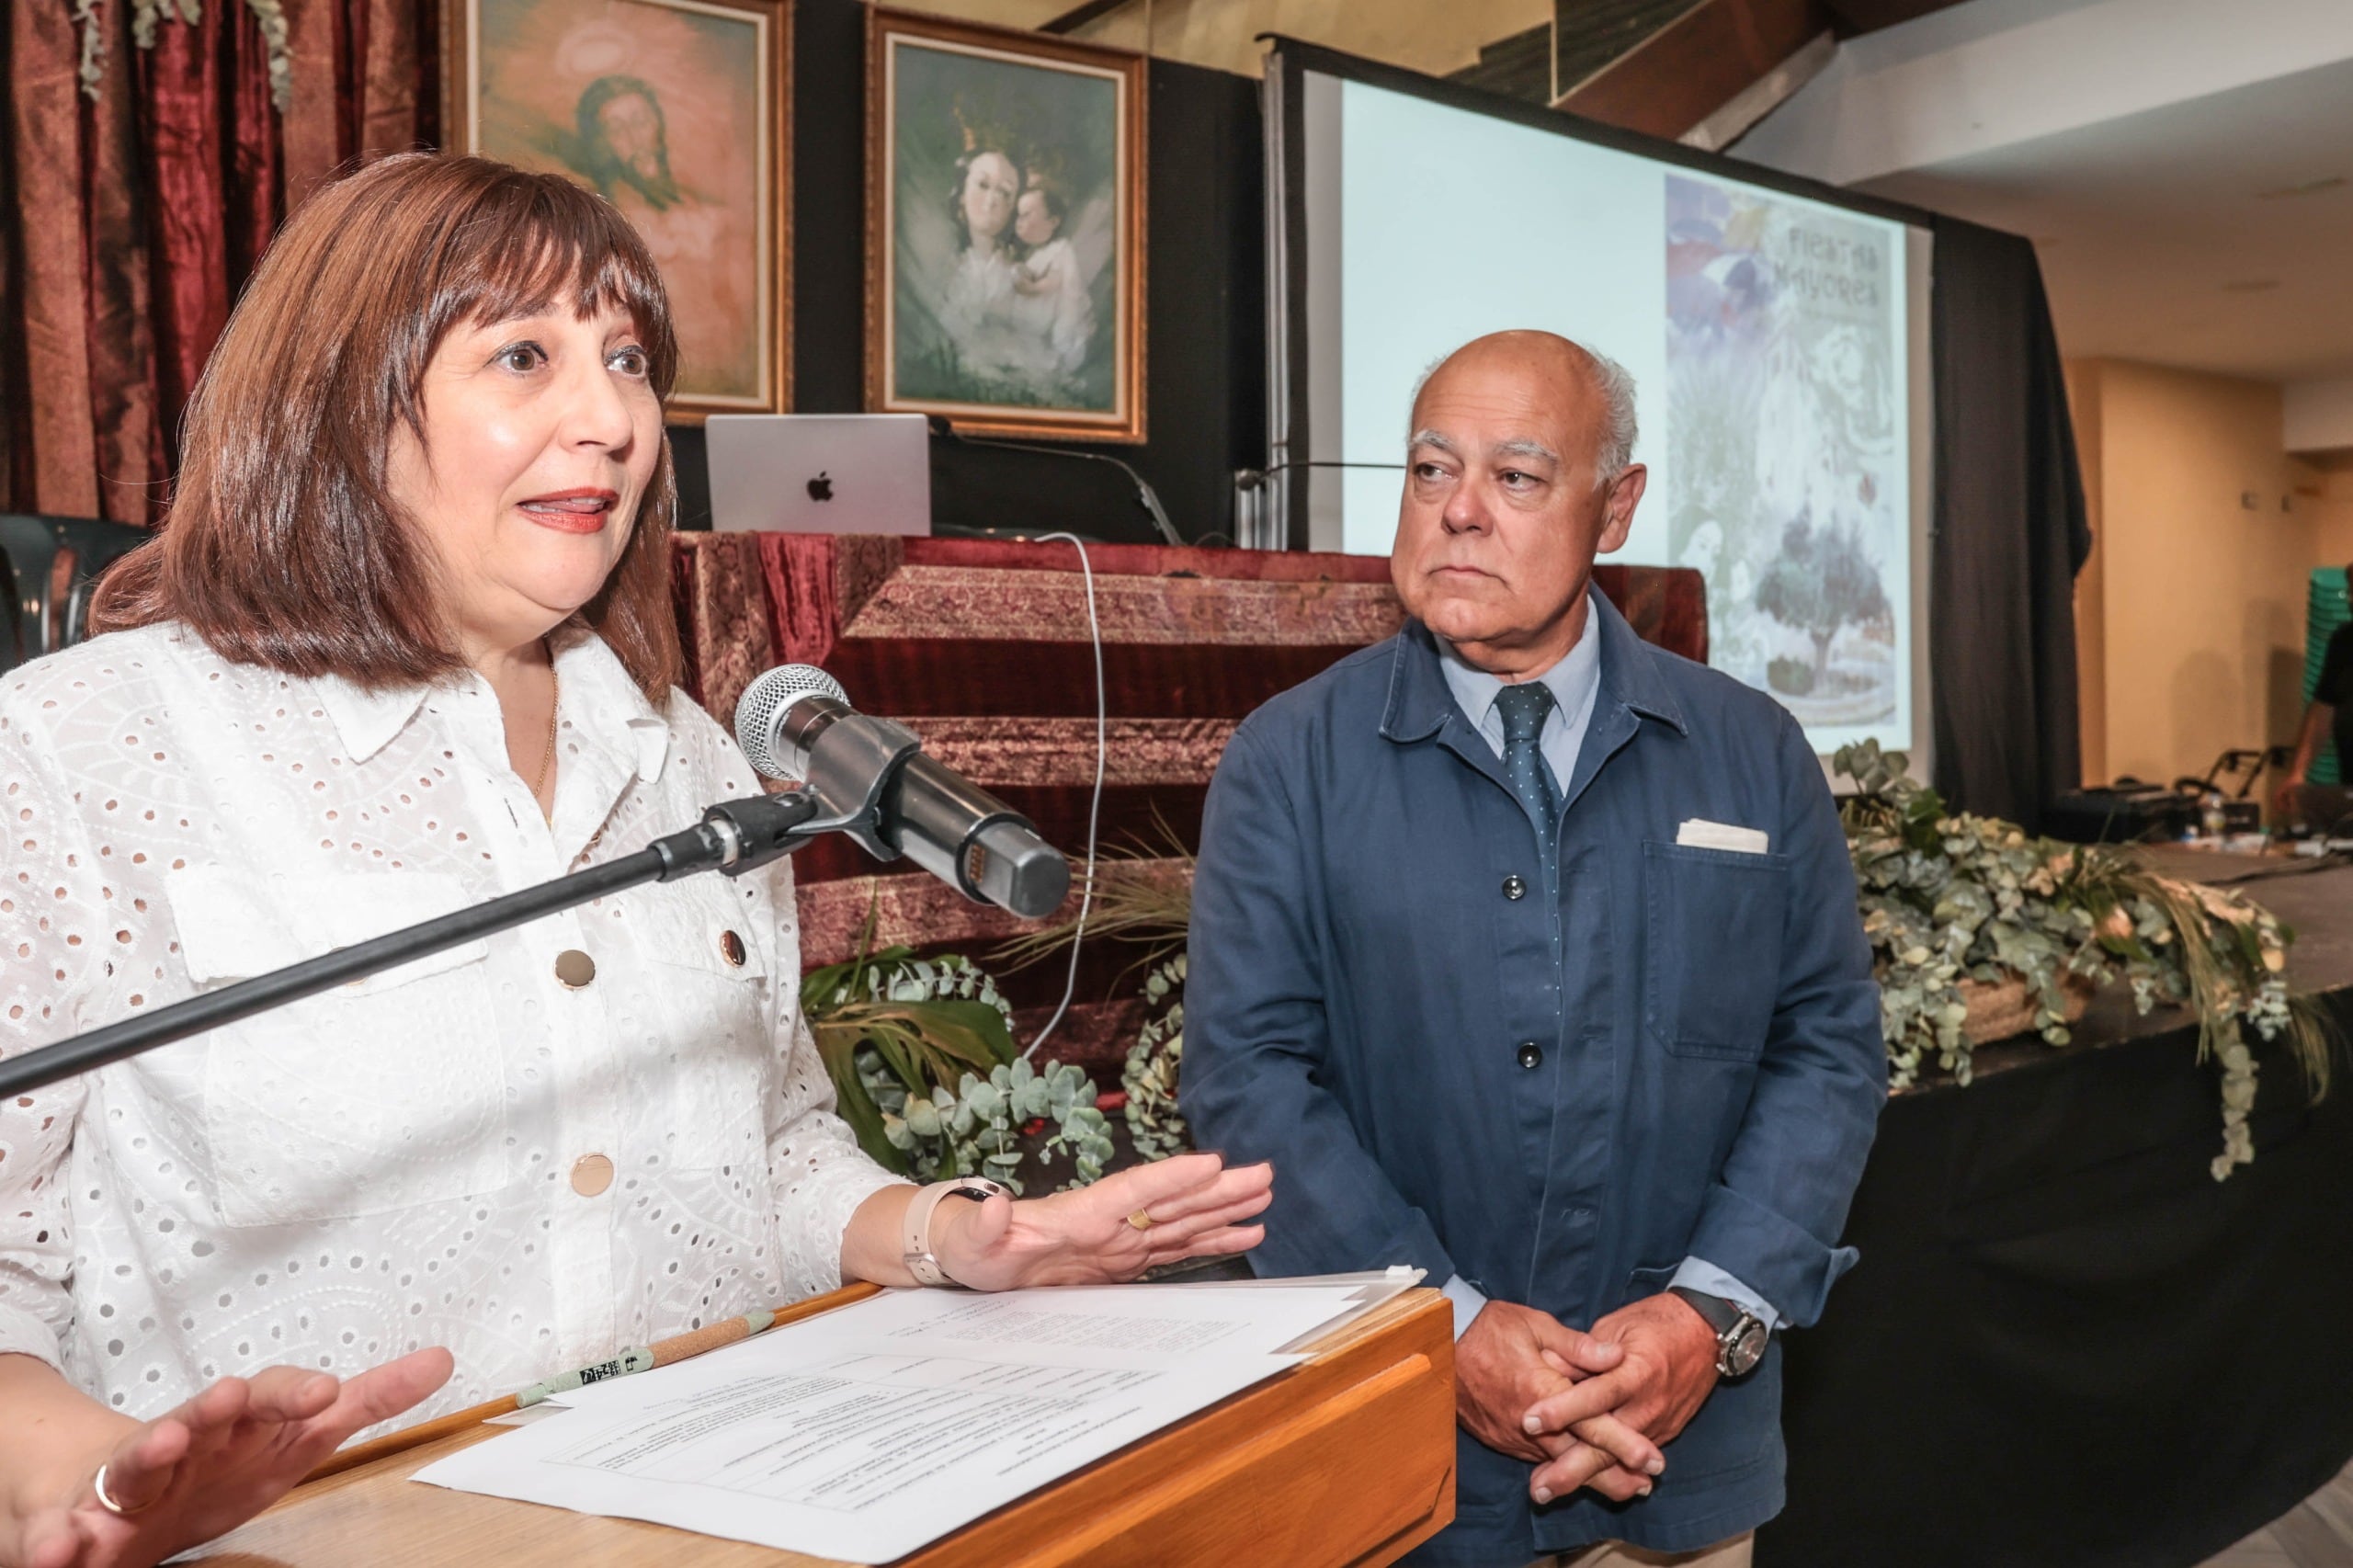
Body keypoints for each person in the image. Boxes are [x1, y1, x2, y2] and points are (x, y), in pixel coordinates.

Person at [0, 153, 1271, 1568]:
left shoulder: (699, 762)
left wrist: (944, 1234)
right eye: (525, 357)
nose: (608, 418)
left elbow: (765, 1140)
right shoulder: (84, 750)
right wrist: (90, 1472)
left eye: (626, 360)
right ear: (341, 408)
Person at [1183, 331, 1885, 1568]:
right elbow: (1247, 1082)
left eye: (1515, 477)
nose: (1457, 512)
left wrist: (1707, 1311)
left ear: (1616, 507)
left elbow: (1825, 1049)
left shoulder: (1752, 751)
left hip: (1678, 1453)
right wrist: (1439, 1326)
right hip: (1394, 1465)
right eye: (1427, 469)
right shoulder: (1290, 761)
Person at [2272, 565, 2353, 833]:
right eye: (2350, 592)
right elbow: (2322, 711)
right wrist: (2298, 772)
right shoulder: (2344, 641)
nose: (2351, 601)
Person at [1011, 180, 1093, 380]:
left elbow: (1054, 281)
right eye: (1018, 215)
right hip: (1033, 324)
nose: (1019, 222)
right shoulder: (1036, 253)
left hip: (1052, 318)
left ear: (1053, 222)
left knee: (1047, 356)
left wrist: (1032, 288)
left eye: (1026, 215)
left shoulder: (1060, 251)